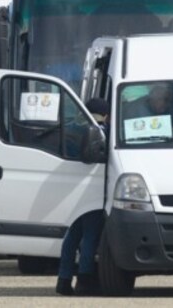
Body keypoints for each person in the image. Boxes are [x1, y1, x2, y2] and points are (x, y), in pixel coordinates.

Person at [55, 99, 108, 296]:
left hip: (71, 189)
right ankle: (85, 280)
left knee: (72, 236)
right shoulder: (101, 131)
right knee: (90, 237)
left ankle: (64, 279)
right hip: (93, 188)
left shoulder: (71, 127)